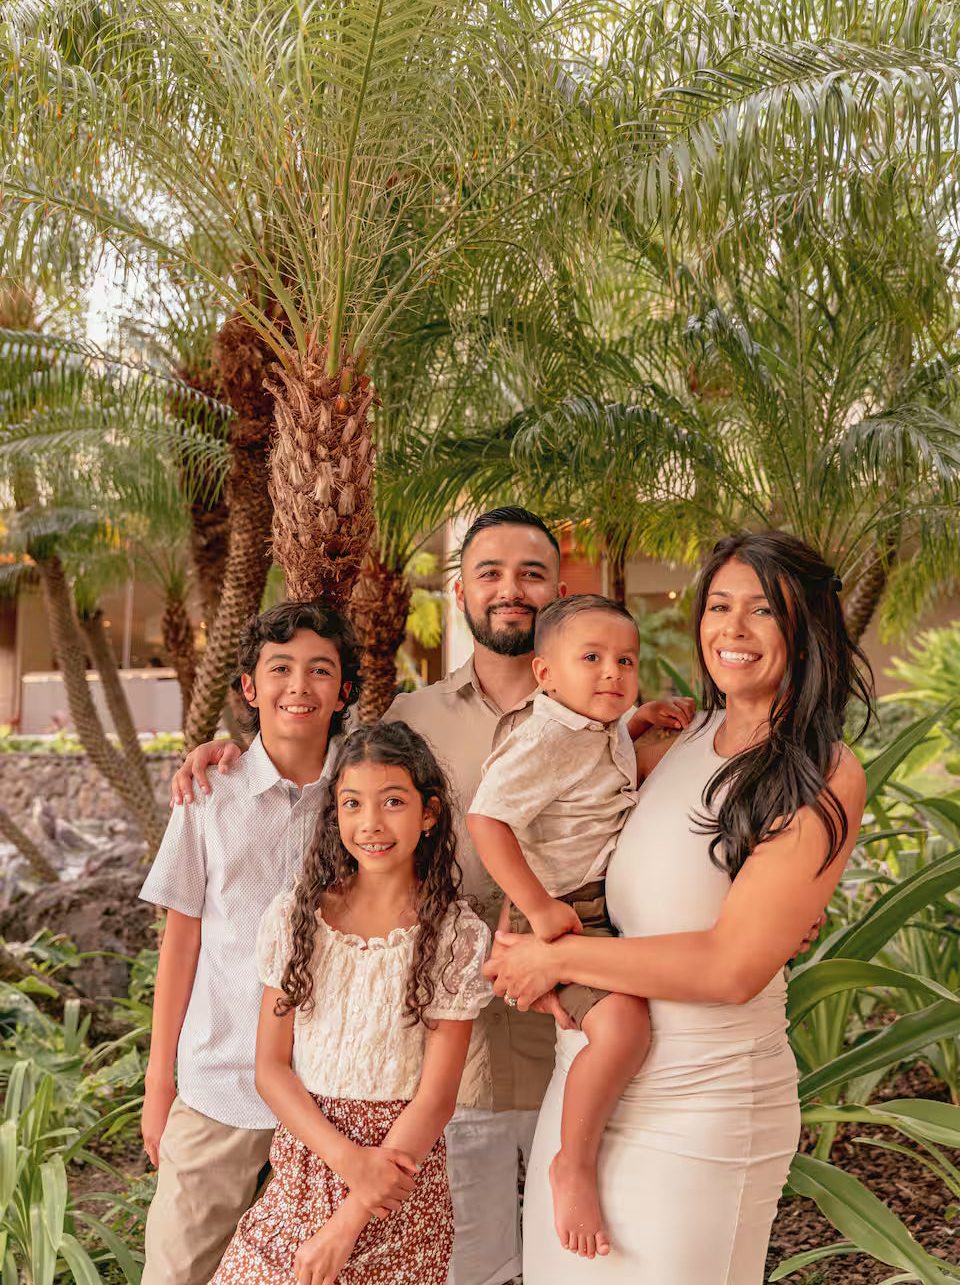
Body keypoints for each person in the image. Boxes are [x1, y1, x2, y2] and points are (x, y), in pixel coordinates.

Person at [170, 506, 692, 1285]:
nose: (510, 589)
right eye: (490, 573)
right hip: (448, 1065)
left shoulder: (610, 715)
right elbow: (335, 787)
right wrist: (228, 755)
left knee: (593, 1261)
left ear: (557, 593)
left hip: (574, 1032)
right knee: (470, 1266)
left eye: (532, 574)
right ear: (460, 593)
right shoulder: (410, 718)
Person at [484, 530, 872, 1284]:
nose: (732, 629)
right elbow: (571, 842)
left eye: (763, 610)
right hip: (589, 1088)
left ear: (807, 629)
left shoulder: (820, 771)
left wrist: (554, 958)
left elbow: (730, 967)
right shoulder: (680, 737)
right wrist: (529, 943)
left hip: (703, 1108)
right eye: (718, 606)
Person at [212, 721, 492, 1285]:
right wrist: (348, 1162)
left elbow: (436, 1100)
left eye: (393, 802)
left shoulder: (454, 935)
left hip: (399, 1187)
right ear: (334, 813)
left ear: (429, 813)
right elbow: (271, 1069)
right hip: (304, 1169)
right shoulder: (296, 916)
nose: (371, 823)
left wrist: (349, 1220)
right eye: (352, 804)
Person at [139, 600, 362, 1285]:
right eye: (280, 668)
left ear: (344, 692)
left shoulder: (366, 796)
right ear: (249, 686)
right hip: (220, 1087)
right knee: (179, 1271)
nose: (300, 686)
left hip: (332, 1097)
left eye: (321, 670)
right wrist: (159, 1080)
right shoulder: (209, 793)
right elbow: (181, 943)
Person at [467, 595, 652, 1260]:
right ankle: (571, 1165)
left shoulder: (593, 726)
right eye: (592, 658)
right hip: (563, 910)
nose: (613, 673)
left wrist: (636, 726)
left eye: (626, 661)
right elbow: (487, 819)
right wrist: (537, 907)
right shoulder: (546, 736)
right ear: (544, 674)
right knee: (622, 1028)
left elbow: (591, 776)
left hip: (589, 908)